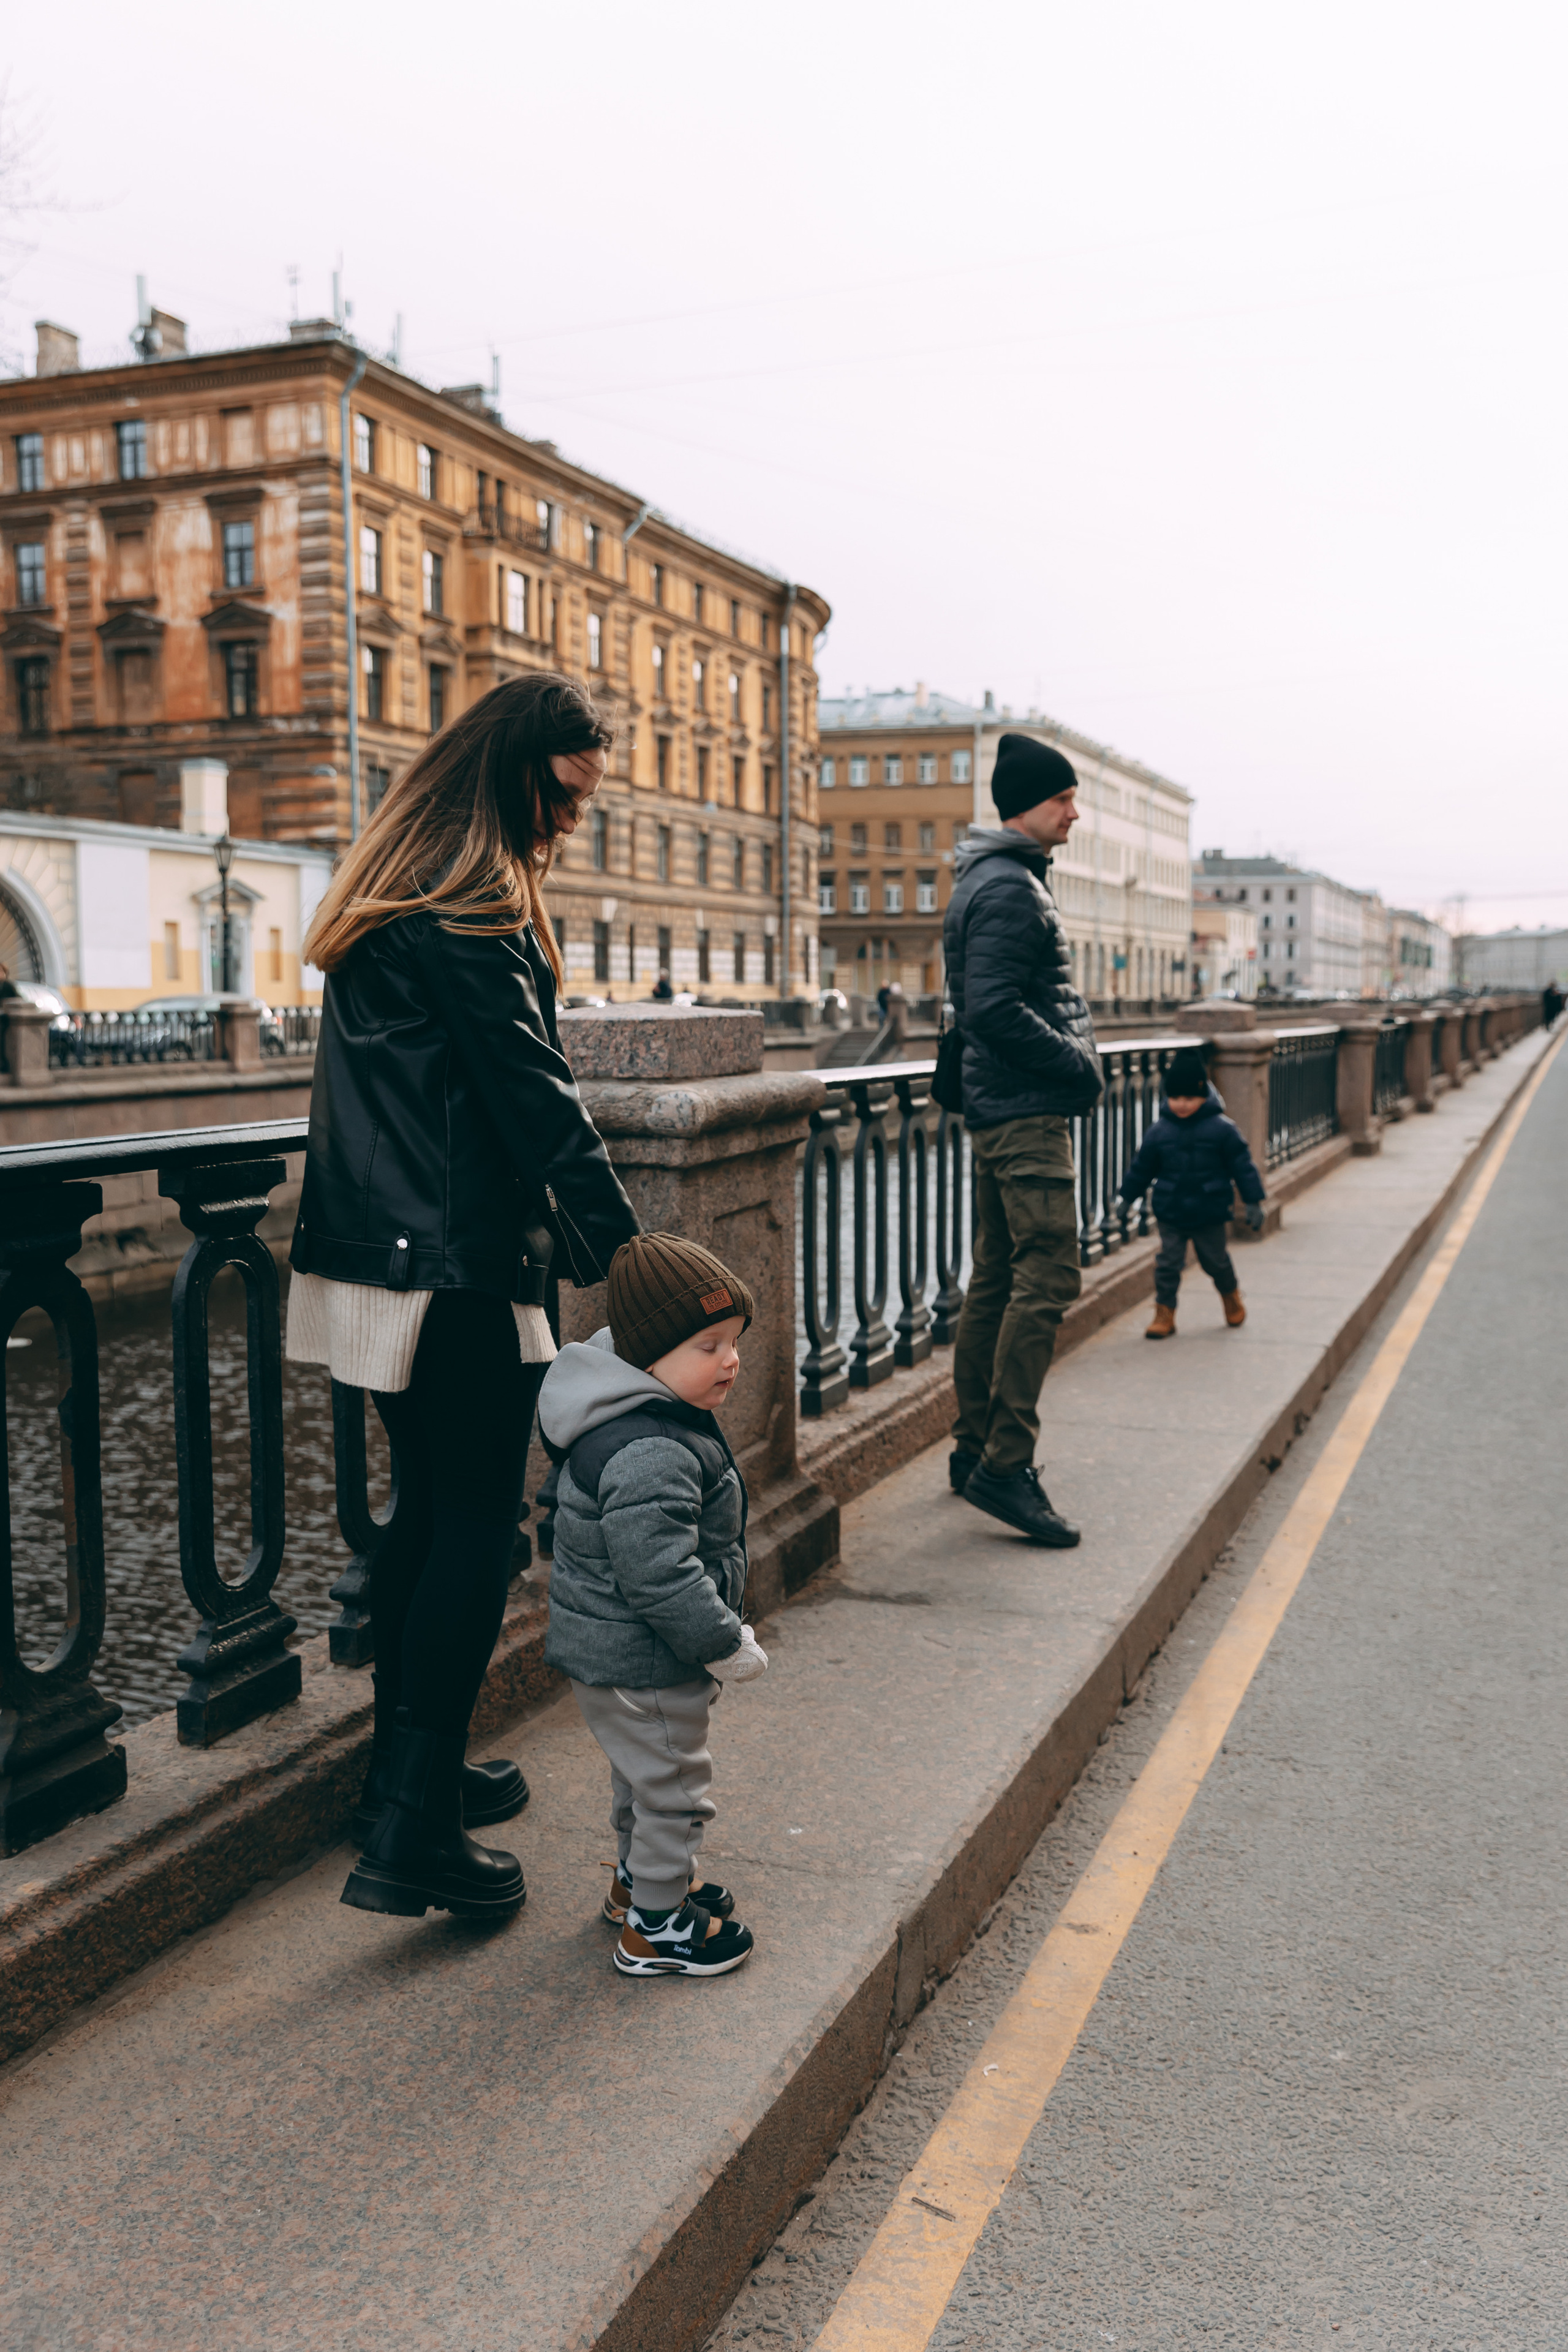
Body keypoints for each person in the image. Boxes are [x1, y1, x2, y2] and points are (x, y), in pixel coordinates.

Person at [287, 671, 641, 1923]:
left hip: (374, 1257)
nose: (565, 826)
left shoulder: (402, 878)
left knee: (428, 1519)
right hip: (450, 1267)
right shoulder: (472, 901)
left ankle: (408, 1772)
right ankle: (410, 1832)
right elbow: (530, 1092)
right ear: (509, 775)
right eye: (559, 798)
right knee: (476, 1534)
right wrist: (630, 1254)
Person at [539, 1232, 765, 1979]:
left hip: (612, 1653)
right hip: (647, 1655)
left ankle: (638, 1884)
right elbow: (661, 1578)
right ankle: (658, 1930)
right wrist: (724, 1642)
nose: (729, 1360)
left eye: (733, 1341)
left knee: (643, 1775)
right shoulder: (651, 1450)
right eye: (708, 1344)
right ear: (649, 1354)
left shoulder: (630, 1411)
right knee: (674, 1789)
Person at [943, 734, 1102, 1546]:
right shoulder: (1010, 889)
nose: (1075, 813)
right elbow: (994, 1011)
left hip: (997, 1106)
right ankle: (1007, 1467)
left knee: (997, 1280)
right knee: (1047, 1277)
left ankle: (973, 1451)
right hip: (1024, 1111)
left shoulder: (993, 877)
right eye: (1063, 800)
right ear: (1025, 805)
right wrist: (1077, 1062)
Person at [1118, 1047, 1265, 1339]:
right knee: (1168, 1265)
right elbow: (1142, 1167)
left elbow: (1243, 1167)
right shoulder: (1159, 1131)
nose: (1182, 1104)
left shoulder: (1223, 1129)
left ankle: (1230, 1295)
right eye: (1175, 1098)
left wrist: (1253, 1201)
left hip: (1209, 1210)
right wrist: (1127, 1197)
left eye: (1189, 1098)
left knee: (1216, 1261)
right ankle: (1165, 1313)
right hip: (1170, 1208)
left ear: (1204, 1095)